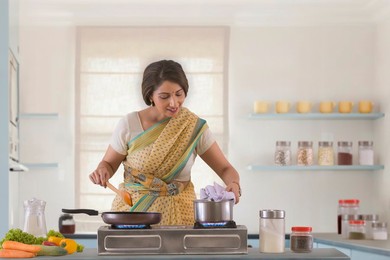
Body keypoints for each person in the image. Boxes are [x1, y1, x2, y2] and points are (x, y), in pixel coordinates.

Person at [89, 59, 241, 225]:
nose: (174, 103)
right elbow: (108, 164)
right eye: (164, 96)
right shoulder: (129, 124)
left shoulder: (192, 127)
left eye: (179, 94)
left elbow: (225, 168)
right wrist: (102, 171)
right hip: (133, 215)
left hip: (181, 216)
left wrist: (233, 183)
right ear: (150, 96)